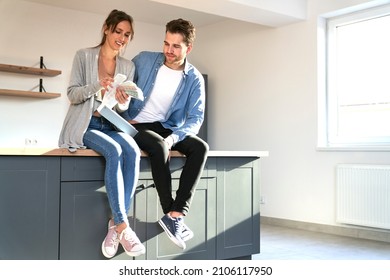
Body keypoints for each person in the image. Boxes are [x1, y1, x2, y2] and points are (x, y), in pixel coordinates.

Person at [58, 9, 145, 258]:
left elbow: (121, 108)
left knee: (132, 150)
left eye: (127, 34)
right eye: (118, 31)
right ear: (107, 28)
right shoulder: (84, 56)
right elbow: (73, 94)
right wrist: (98, 84)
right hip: (86, 126)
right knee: (115, 151)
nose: (122, 37)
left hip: (111, 124)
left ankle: (115, 227)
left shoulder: (128, 66)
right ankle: (122, 225)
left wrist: (123, 99)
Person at [123, 18, 209, 250]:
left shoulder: (194, 79)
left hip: (167, 127)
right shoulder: (144, 60)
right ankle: (170, 211)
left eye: (176, 46)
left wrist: (174, 138)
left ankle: (175, 214)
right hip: (136, 123)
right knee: (159, 145)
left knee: (200, 147)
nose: (169, 51)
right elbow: (122, 83)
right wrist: (121, 103)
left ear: (188, 48)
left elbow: (195, 118)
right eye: (166, 44)